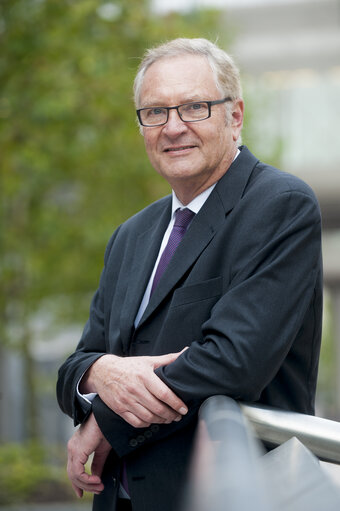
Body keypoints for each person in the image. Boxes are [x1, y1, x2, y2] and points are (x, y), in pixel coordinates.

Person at [57, 38, 323, 511]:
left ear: (235, 116)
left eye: (194, 107)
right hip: (120, 498)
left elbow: (233, 360)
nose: (173, 127)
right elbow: (79, 362)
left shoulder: (280, 205)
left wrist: (105, 422)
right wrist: (100, 372)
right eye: (155, 112)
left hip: (226, 494)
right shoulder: (131, 234)